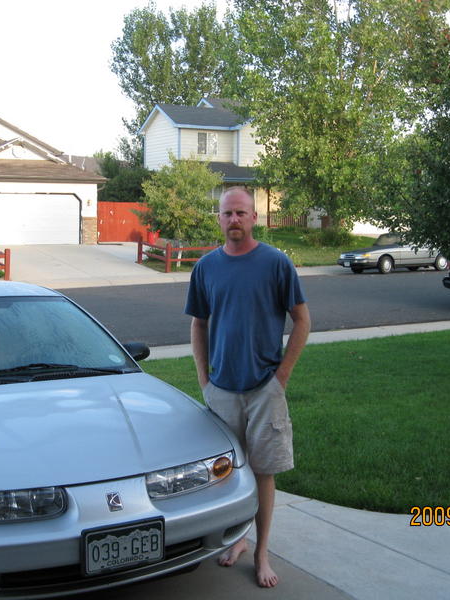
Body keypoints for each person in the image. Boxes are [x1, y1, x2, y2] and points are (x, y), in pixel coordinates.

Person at [185, 187, 311, 588]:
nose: (234, 219)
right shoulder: (206, 267)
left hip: (263, 390)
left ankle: (261, 551)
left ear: (255, 217)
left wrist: (281, 377)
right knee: (227, 475)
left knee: (263, 472)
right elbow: (199, 324)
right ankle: (238, 538)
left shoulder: (275, 263)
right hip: (222, 390)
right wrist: (204, 379)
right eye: (227, 214)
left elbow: (302, 320)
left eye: (241, 213)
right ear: (219, 219)